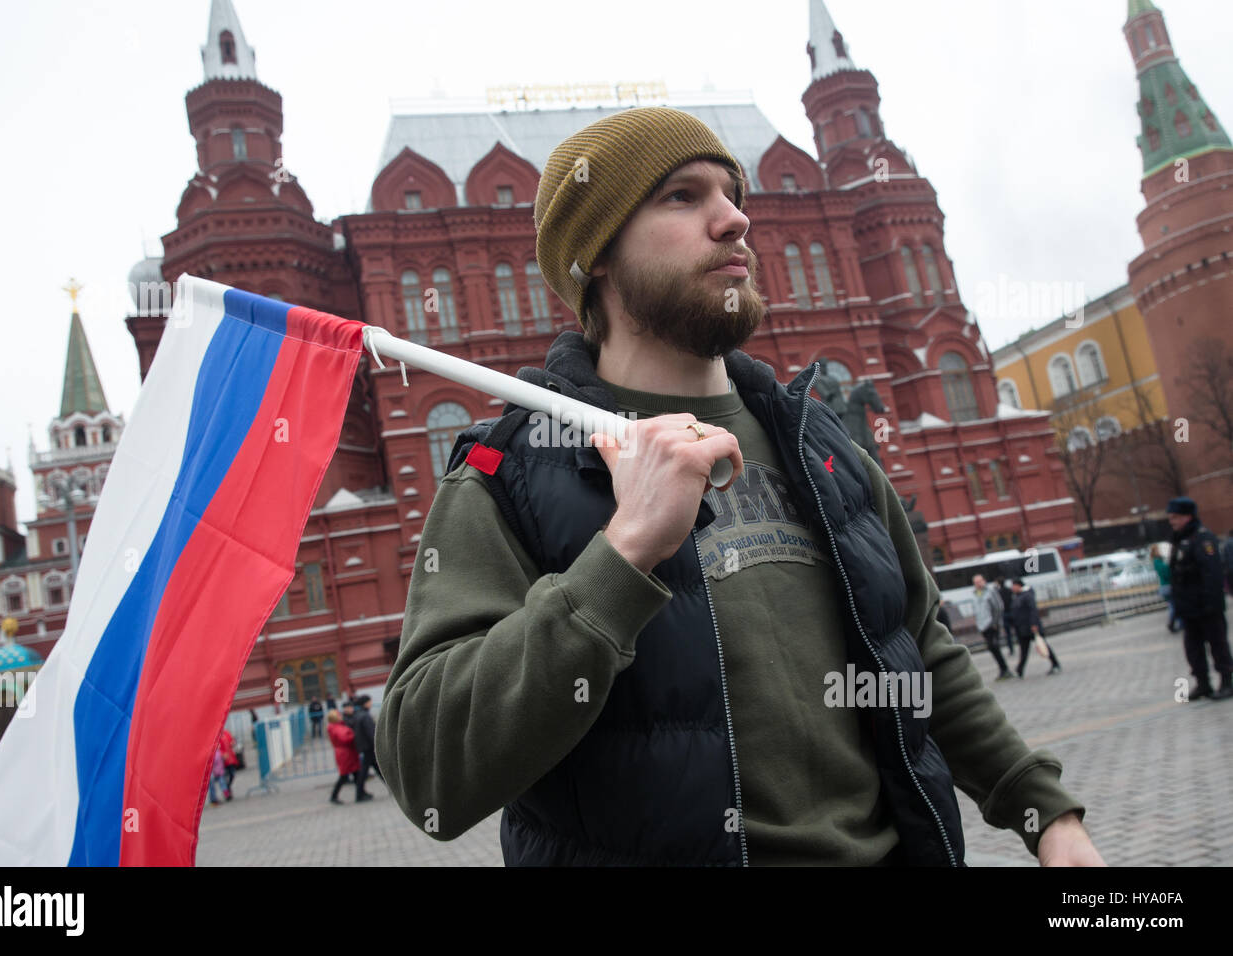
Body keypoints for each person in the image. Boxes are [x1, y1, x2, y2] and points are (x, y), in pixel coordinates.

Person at [376, 107, 1101, 867]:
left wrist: (1047, 815)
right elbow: (429, 770)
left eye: (732, 193)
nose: (734, 221)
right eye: (683, 197)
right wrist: (622, 557)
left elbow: (917, 651)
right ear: (596, 257)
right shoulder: (508, 473)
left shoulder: (819, 441)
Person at [1167, 497, 1233, 701]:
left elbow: (1212, 574)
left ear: (1188, 516)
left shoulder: (1203, 539)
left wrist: (1211, 603)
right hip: (1188, 607)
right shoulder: (1179, 540)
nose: (1172, 521)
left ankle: (1227, 681)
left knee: (1217, 644)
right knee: (1193, 648)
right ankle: (1203, 683)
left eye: (1176, 517)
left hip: (1206, 606)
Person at [1010, 579, 1061, 678]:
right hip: (1023, 629)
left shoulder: (1027, 595)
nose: (1012, 588)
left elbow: (1033, 610)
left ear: (1018, 585)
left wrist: (1034, 624)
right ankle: (1020, 669)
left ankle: (1055, 664)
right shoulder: (1018, 596)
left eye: (1014, 585)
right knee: (1024, 650)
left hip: (1031, 627)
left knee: (1043, 646)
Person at [972, 573, 1012, 680]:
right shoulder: (975, 594)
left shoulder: (990, 591)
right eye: (976, 582)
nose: (978, 584)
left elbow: (999, 607)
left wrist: (995, 623)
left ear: (984, 581)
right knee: (992, 648)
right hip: (982, 626)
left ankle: (1005, 669)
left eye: (979, 581)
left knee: (993, 646)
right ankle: (1003, 669)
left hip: (991, 625)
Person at [326, 710, 360, 804]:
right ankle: (334, 795)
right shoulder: (336, 727)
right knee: (344, 775)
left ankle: (361, 791)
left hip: (346, 752)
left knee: (356, 773)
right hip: (345, 753)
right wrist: (353, 735)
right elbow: (345, 738)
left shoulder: (335, 727)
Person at [349, 699, 378, 801]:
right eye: (370, 702)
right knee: (365, 771)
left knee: (377, 767)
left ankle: (392, 787)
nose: (371, 704)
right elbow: (371, 732)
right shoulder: (365, 716)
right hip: (369, 747)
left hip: (364, 747)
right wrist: (376, 744)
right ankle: (359, 794)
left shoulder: (358, 715)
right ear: (365, 703)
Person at [1152, 543, 1180, 633]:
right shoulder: (1158, 561)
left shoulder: (1158, 560)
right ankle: (1173, 623)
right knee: (1174, 605)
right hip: (1167, 586)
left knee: (1173, 605)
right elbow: (1167, 572)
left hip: (1165, 586)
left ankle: (1174, 623)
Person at [218, 727, 239, 798]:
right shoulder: (216, 736)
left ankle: (227, 787)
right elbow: (216, 748)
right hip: (222, 761)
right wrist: (222, 754)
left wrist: (233, 742)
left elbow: (232, 742)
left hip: (230, 758)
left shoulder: (226, 733)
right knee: (224, 776)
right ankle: (227, 791)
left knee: (232, 774)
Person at [998, 577, 1017, 654]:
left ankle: (1011, 649)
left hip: (1005, 613)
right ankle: (1022, 644)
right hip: (1012, 612)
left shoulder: (998, 592)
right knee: (1017, 630)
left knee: (1008, 633)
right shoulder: (1009, 590)